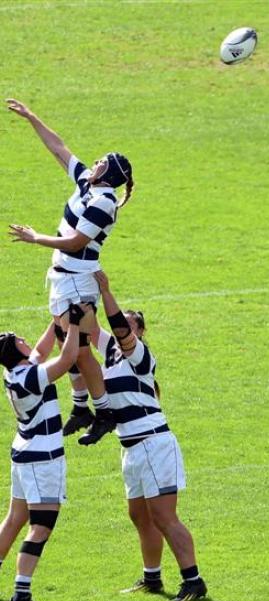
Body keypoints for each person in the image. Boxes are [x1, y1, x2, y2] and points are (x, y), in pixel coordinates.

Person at [6, 98, 134, 445]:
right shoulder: (87, 185)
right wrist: (32, 117)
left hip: (77, 282)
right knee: (70, 343)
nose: (93, 163)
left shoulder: (104, 202)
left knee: (80, 350)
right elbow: (58, 148)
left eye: (100, 162)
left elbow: (77, 241)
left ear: (109, 173)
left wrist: (37, 239)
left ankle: (102, 411)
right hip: (64, 279)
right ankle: (83, 408)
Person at [91, 271, 207, 601]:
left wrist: (106, 291)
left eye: (128, 325)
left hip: (153, 443)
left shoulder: (139, 356)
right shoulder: (112, 355)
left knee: (164, 516)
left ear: (139, 332)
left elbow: (117, 328)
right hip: (130, 447)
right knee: (139, 516)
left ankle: (194, 581)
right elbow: (86, 328)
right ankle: (152, 578)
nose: (119, 330)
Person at [0, 304, 85, 601]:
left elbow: (40, 349)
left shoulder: (16, 375)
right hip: (41, 459)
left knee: (14, 520)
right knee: (42, 525)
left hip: (24, 454)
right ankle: (21, 595)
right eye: (18, 339)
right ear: (14, 351)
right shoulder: (31, 378)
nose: (25, 339)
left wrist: (55, 320)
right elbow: (66, 359)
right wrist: (73, 325)